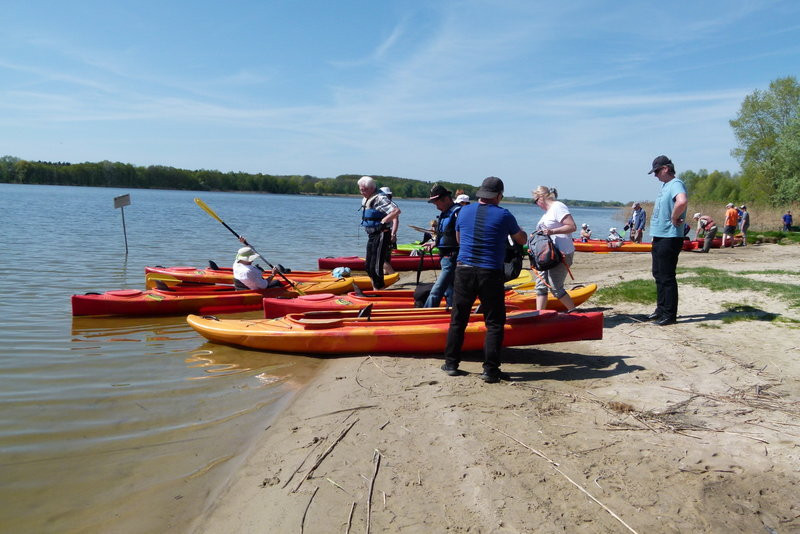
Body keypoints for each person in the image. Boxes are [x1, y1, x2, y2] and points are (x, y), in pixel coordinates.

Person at [442, 176, 527, 383]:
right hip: (490, 272)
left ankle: (451, 364)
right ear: (498, 196)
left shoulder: (463, 211)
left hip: (464, 270)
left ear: (481, 193)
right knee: (494, 322)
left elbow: (460, 239)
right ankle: (490, 370)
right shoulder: (504, 214)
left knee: (458, 319)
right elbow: (521, 239)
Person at [647, 155, 688, 326]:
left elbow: (682, 201)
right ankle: (661, 309)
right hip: (659, 235)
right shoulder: (665, 185)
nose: (655, 175)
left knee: (667, 276)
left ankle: (669, 315)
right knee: (658, 274)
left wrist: (674, 217)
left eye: (657, 171)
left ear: (665, 169)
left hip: (670, 237)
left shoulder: (676, 183)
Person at [532, 185, 577, 312]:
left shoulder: (558, 207)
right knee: (540, 285)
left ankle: (574, 312)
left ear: (541, 197)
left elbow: (572, 226)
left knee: (555, 287)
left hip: (561, 254)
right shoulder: (547, 213)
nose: (536, 204)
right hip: (545, 254)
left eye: (535, 201)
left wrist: (552, 231)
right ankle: (539, 314)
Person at [358, 176, 401, 289]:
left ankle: (379, 289)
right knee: (368, 266)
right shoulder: (366, 199)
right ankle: (375, 289)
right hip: (372, 235)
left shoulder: (380, 198)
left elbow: (396, 211)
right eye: (361, 189)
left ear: (372, 188)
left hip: (382, 233)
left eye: (364, 190)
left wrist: (384, 220)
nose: (362, 192)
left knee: (376, 266)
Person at [422, 184, 461, 308]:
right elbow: (445, 234)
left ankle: (426, 312)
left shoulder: (457, 213)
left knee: (436, 291)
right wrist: (435, 243)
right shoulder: (445, 213)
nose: (436, 207)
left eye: (437, 203)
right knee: (450, 290)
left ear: (446, 199)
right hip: (444, 257)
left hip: (452, 258)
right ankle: (452, 309)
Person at [379, 186, 399, 275]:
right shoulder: (388, 205)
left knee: (381, 257)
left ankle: (392, 274)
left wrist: (393, 234)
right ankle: (386, 274)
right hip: (387, 232)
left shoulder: (390, 206)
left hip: (387, 233)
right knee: (386, 256)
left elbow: (395, 221)